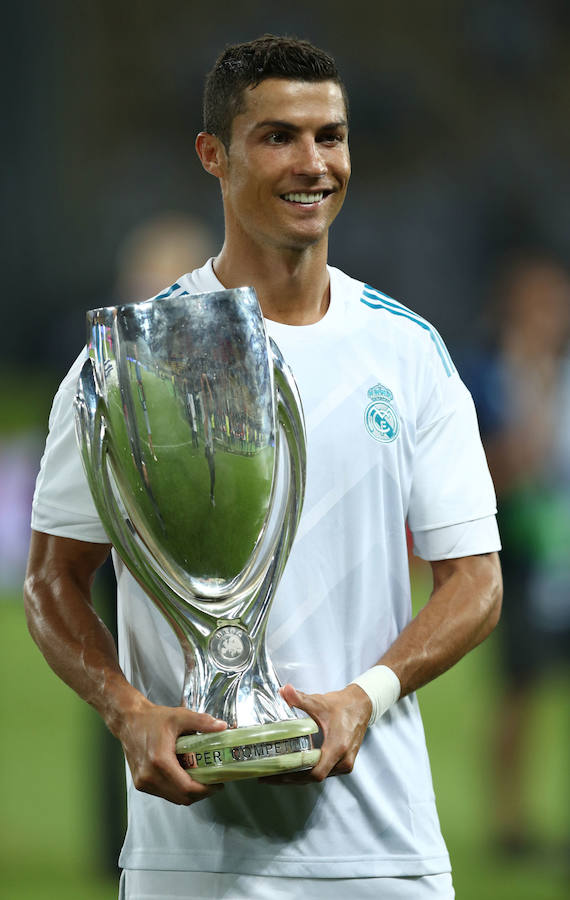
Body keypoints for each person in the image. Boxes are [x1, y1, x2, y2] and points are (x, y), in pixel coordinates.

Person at [24, 35, 502, 900]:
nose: (313, 164)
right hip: (190, 857)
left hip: (380, 852)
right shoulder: (126, 362)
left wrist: (367, 694)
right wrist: (127, 713)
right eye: (279, 136)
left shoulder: (407, 352)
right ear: (213, 154)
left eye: (332, 136)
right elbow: (53, 579)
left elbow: (476, 580)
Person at [462, 251, 570, 855]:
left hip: (565, 553)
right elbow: (485, 468)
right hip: (522, 554)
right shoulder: (483, 375)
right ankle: (509, 823)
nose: (549, 315)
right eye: (538, 302)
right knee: (519, 692)